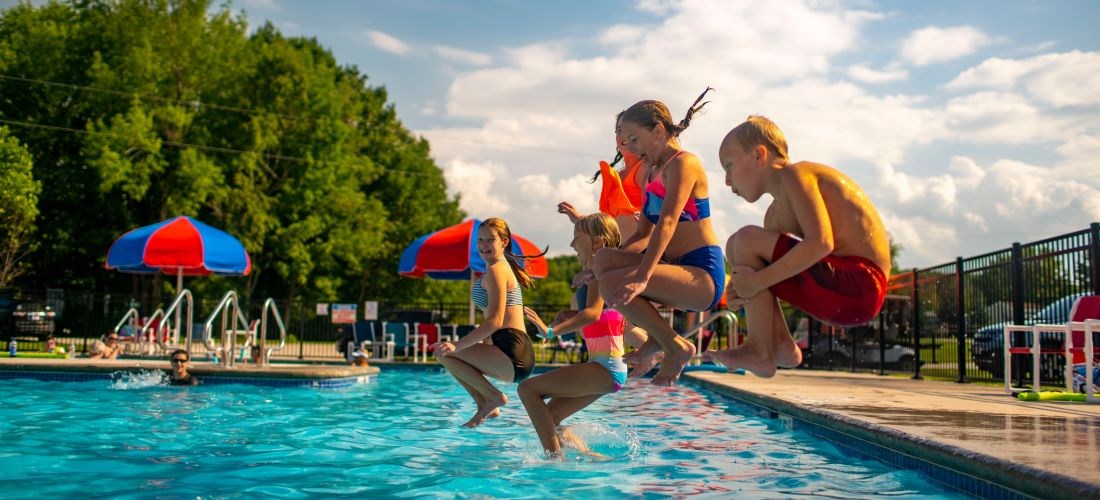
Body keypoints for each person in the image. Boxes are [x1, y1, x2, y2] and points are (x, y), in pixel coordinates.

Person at [704, 115, 890, 378]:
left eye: (729, 166)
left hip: (863, 284)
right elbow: (764, 273)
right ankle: (779, 346)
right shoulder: (774, 215)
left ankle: (760, 351)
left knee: (744, 239)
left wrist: (755, 282)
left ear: (759, 155)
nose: (726, 181)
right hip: (842, 294)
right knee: (737, 245)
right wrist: (740, 291)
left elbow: (821, 242)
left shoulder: (795, 175)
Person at [584, 88, 725, 387]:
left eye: (635, 139)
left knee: (611, 282)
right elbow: (642, 233)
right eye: (626, 141)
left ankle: (676, 346)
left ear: (659, 130)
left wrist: (642, 277)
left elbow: (669, 222)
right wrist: (595, 269)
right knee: (603, 260)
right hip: (673, 268)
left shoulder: (684, 164)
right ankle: (659, 340)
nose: (631, 148)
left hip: (701, 275)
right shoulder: (651, 173)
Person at [519, 213, 627, 458]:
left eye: (576, 238)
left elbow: (591, 314)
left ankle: (554, 462)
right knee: (550, 420)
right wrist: (566, 313)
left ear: (598, 244)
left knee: (526, 390)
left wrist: (549, 331)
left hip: (605, 367)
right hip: (608, 367)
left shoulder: (601, 269)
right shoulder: (601, 271)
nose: (571, 245)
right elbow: (600, 315)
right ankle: (594, 459)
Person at [556, 114, 656, 376]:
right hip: (612, 255)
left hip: (632, 253)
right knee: (585, 306)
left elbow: (653, 212)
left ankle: (650, 348)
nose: (621, 137)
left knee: (596, 308)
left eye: (627, 131)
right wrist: (579, 221)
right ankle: (645, 350)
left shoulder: (645, 168)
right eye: (617, 131)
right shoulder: (621, 174)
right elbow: (606, 226)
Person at [430, 217, 543, 428]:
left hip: (513, 353)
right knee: (445, 353)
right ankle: (485, 402)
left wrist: (457, 345)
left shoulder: (497, 271)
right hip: (509, 351)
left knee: (444, 352)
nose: (483, 244)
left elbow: (495, 321)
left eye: (490, 239)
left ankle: (491, 398)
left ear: (504, 242)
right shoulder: (496, 269)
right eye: (480, 239)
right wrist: (481, 348)